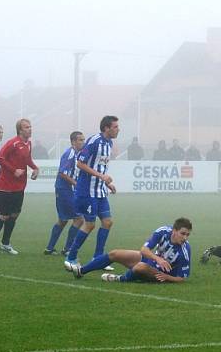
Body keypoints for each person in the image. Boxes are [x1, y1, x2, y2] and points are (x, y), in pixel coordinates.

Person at [64, 116, 120, 271]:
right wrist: (101, 177)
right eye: (115, 127)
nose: (118, 129)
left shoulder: (109, 143)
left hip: (100, 190)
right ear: (106, 128)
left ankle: (98, 258)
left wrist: (107, 183)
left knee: (107, 222)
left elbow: (100, 167)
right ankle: (71, 257)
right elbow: (80, 163)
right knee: (89, 224)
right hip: (87, 190)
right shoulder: (94, 141)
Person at [71, 218, 192, 283]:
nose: (185, 237)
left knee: (140, 267)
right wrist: (158, 259)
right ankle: (81, 271)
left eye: (187, 235)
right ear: (174, 230)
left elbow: (182, 278)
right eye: (183, 233)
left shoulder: (185, 251)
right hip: (152, 260)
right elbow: (144, 250)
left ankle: (120, 279)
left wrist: (166, 277)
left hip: (158, 273)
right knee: (115, 253)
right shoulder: (163, 231)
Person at [0, 119, 40, 255]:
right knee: (3, 216)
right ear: (20, 130)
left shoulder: (28, 143)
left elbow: (27, 159)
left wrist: (35, 168)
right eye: (26, 127)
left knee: (14, 215)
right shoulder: (13, 143)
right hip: (4, 187)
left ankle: (5, 243)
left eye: (30, 126)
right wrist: (14, 170)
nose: (30, 129)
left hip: (19, 187)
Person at [43, 131, 85, 255]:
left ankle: (49, 248)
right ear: (73, 142)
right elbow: (62, 172)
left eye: (83, 140)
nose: (83, 142)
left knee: (63, 220)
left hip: (66, 190)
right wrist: (76, 183)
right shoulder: (70, 154)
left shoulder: (77, 154)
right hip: (65, 190)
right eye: (80, 140)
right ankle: (67, 249)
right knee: (79, 219)